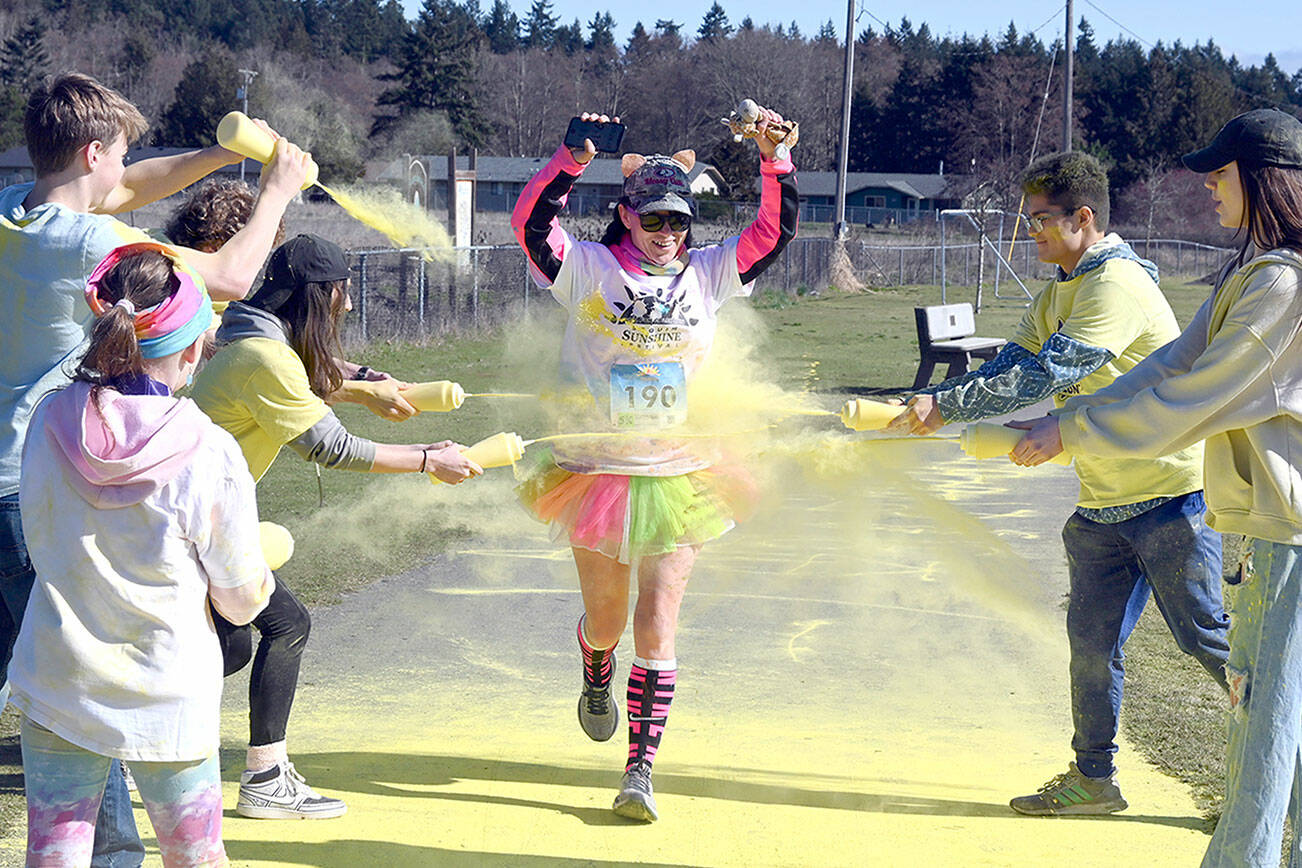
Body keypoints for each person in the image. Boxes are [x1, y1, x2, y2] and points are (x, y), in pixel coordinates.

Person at [0, 72, 307, 866]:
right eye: (122, 156)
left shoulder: (16, 208)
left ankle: (107, 848)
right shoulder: (99, 249)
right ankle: (117, 854)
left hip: (24, 468)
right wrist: (275, 190)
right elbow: (226, 281)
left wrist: (216, 153)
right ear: (93, 150)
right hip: (78, 461)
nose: (130, 176)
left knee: (62, 678)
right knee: (103, 671)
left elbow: (127, 184)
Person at [886, 150, 1229, 815]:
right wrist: (936, 401)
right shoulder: (1058, 290)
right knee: (1091, 650)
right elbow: (1015, 360)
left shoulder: (1116, 285)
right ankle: (1094, 781)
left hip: (1169, 498)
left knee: (1205, 641)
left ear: (1083, 218)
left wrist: (947, 406)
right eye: (1028, 219)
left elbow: (1051, 374)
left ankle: (1277, 769)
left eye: (1043, 220)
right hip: (1102, 502)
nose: (1031, 232)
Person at [1011, 109, 1302, 866]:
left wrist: (1071, 430)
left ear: (1266, 180)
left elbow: (1192, 397)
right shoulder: (1253, 272)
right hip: (1276, 533)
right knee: (1268, 708)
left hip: (1291, 537)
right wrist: (1076, 420)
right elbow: (1169, 364)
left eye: (1221, 171)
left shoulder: (1284, 285)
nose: (1208, 184)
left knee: (1263, 714)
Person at [510, 108, 798, 821]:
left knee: (658, 622)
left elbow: (773, 233)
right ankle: (595, 666)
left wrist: (775, 161)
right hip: (596, 469)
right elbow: (530, 227)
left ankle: (640, 767)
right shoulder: (588, 269)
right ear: (626, 216)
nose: (668, 235)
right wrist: (570, 158)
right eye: (654, 221)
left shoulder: (708, 273)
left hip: (682, 470)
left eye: (678, 223)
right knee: (608, 621)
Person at [189, 233, 482, 820]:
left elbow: (306, 370)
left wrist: (369, 381)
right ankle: (262, 776)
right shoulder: (264, 358)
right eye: (340, 294)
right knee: (279, 627)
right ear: (318, 297)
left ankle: (132, 737)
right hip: (198, 525)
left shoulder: (243, 325)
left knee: (230, 643)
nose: (346, 305)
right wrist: (429, 459)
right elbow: (332, 447)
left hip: (197, 519)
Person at [10, 244, 273, 866]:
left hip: (58, 677)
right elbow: (239, 601)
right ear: (188, 347)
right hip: (167, 688)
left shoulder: (48, 419)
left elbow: (40, 530)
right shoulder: (209, 451)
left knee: (54, 854)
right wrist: (260, 570)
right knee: (194, 856)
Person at [164, 178, 418, 420]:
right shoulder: (172, 285)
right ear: (214, 248)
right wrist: (363, 392)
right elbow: (269, 369)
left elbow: (281, 358)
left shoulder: (205, 286)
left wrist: (363, 375)